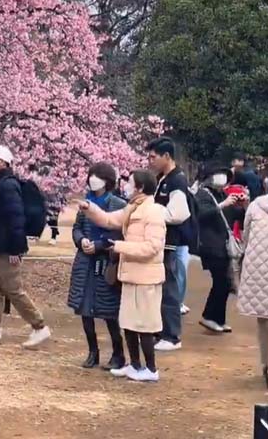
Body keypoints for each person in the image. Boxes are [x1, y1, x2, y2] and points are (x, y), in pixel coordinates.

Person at [80, 170, 166, 382]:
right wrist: (89, 208)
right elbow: (109, 220)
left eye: (130, 182)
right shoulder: (132, 208)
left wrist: (119, 246)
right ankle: (135, 365)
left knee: (144, 325)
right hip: (129, 275)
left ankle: (151, 369)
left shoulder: (153, 212)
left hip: (146, 277)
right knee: (128, 322)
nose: (126, 185)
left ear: (140, 188)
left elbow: (152, 247)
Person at [0, 145, 51, 349]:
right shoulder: (2, 184)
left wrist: (17, 248)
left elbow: (16, 218)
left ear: (2, 162)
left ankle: (39, 326)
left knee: (13, 289)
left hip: (8, 247)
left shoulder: (8, 186)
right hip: (0, 244)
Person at [67, 163, 127, 369]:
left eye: (97, 176)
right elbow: (76, 228)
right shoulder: (86, 202)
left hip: (105, 261)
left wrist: (100, 245)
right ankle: (93, 351)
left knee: (109, 310)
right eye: (91, 175)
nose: (93, 179)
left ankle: (118, 353)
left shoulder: (118, 203)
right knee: (85, 308)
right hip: (85, 261)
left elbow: (119, 232)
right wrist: (81, 240)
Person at [146, 137, 195, 351]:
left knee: (169, 288)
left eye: (153, 157)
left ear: (167, 156)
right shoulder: (162, 178)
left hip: (170, 243)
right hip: (160, 241)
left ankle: (172, 336)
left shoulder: (177, 180)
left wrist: (153, 213)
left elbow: (179, 213)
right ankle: (162, 332)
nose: (150, 161)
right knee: (160, 287)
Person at [193, 163, 245, 334]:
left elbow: (235, 217)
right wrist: (222, 205)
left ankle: (218, 319)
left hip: (223, 244)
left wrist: (243, 204)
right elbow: (201, 215)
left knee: (224, 282)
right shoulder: (203, 194)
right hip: (210, 245)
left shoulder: (223, 194)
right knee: (221, 281)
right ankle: (210, 316)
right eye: (218, 174)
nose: (222, 178)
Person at [238, 194, 268, 387]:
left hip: (260, 270)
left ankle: (267, 364)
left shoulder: (256, 205)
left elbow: (246, 236)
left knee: (264, 321)